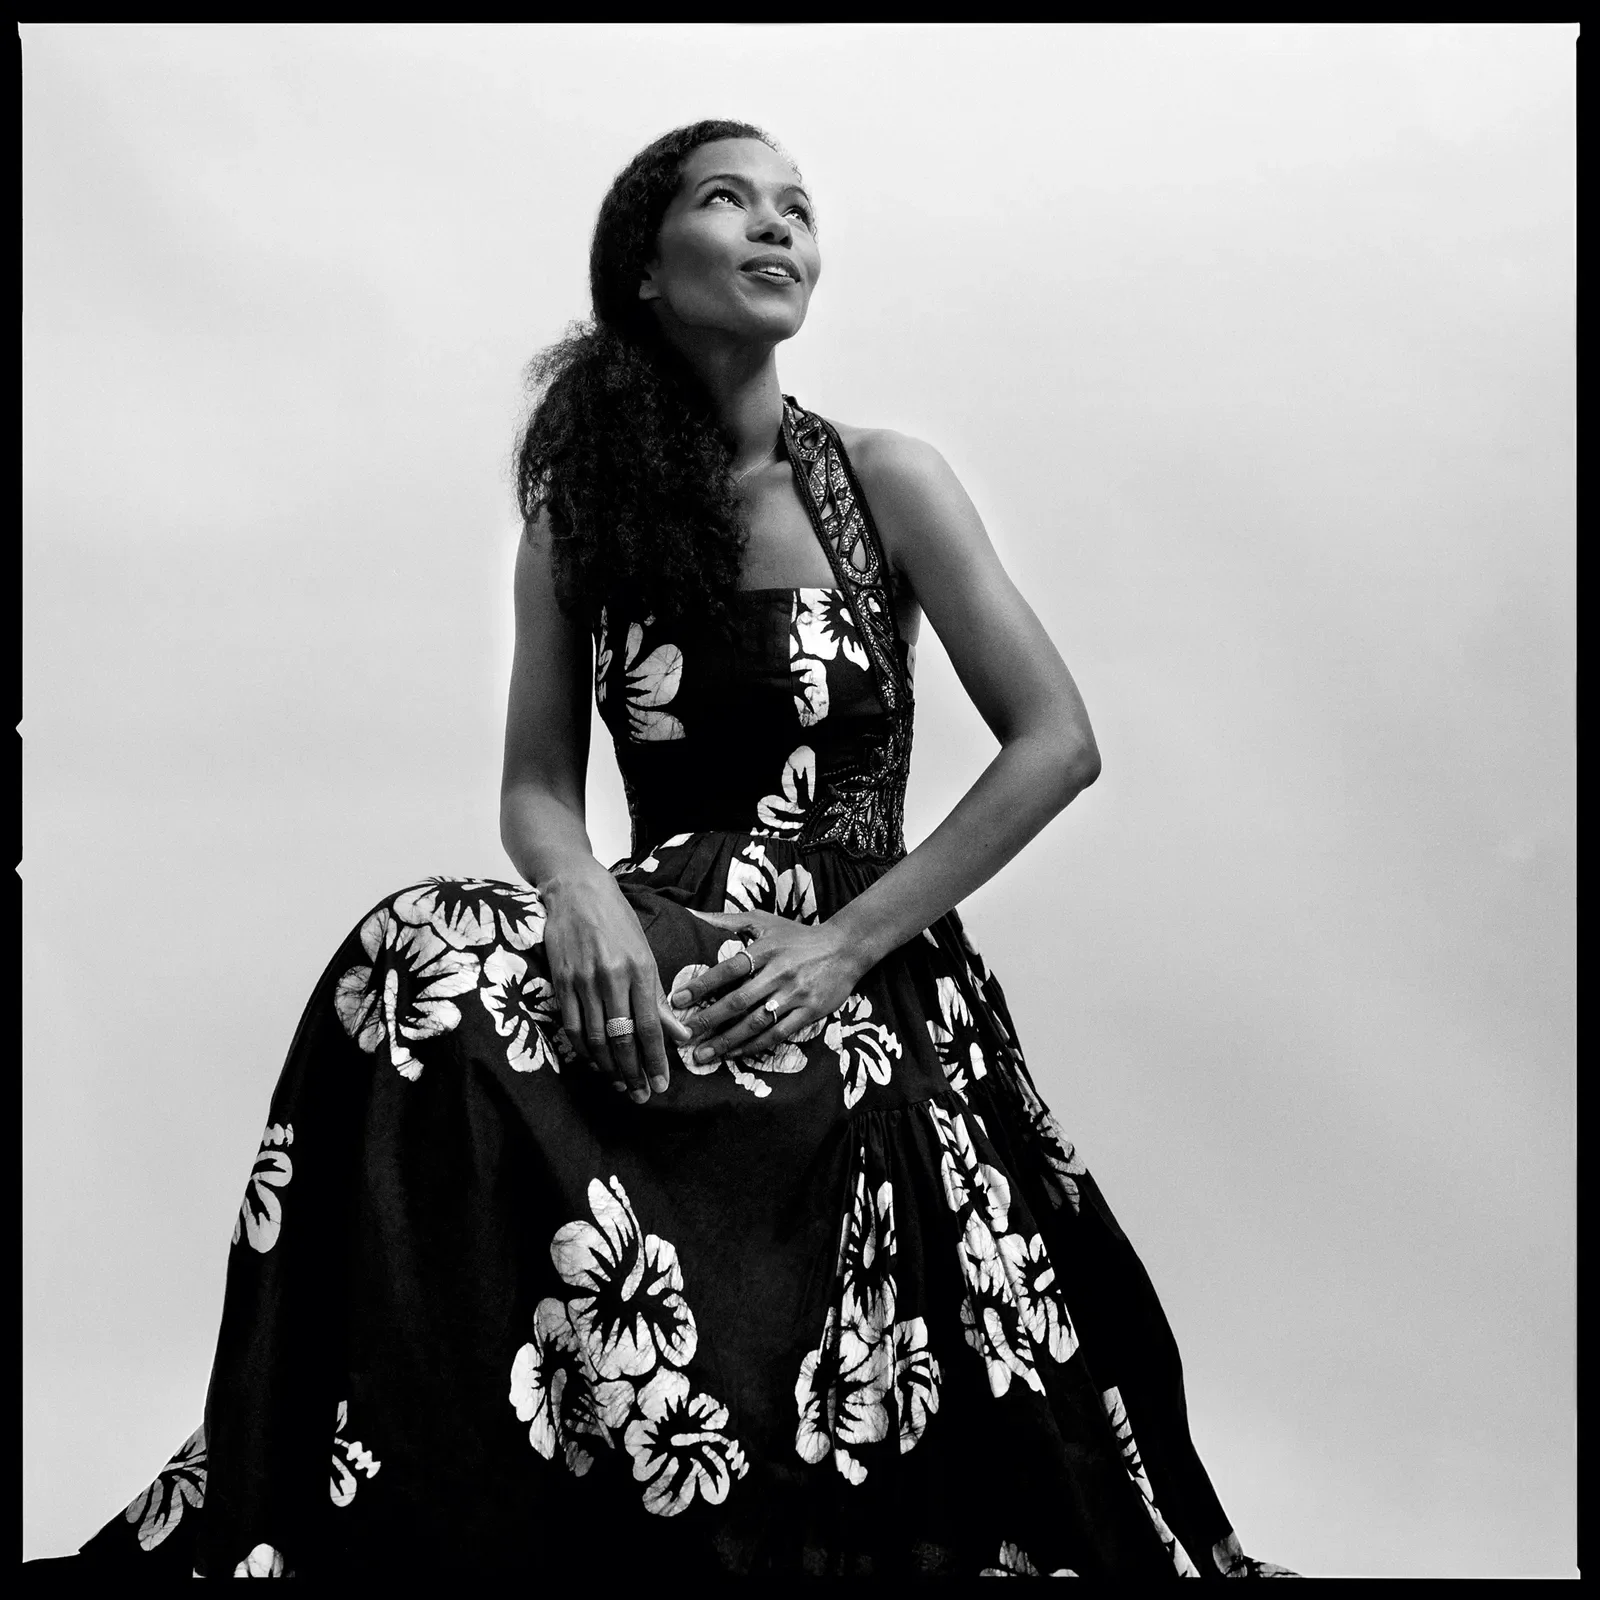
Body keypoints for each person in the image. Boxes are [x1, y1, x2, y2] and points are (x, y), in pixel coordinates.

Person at [31, 119, 1296, 1579]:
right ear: (646, 263)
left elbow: (1056, 740)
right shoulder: (583, 517)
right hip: (653, 937)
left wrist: (843, 945)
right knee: (410, 968)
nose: (777, 229)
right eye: (729, 200)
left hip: (839, 966)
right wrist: (575, 895)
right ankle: (358, 1494)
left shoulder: (887, 480)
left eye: (798, 210)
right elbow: (535, 784)